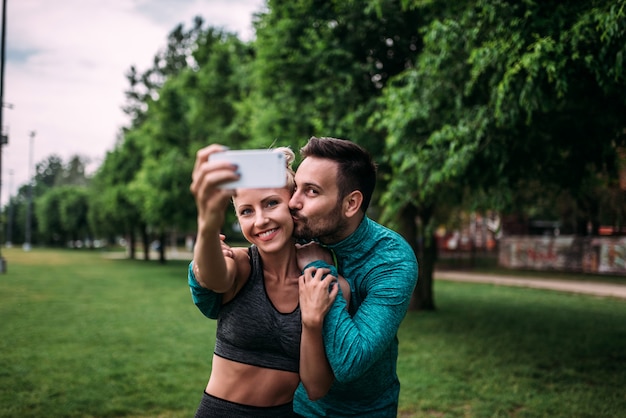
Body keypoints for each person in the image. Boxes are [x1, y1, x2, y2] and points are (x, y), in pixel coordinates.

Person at [187, 144, 350, 417]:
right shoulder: (240, 266)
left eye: (271, 203)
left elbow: (316, 388)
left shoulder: (327, 284)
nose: (261, 220)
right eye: (246, 211)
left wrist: (311, 322)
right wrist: (208, 220)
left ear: (293, 204)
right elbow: (212, 278)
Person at [290, 136, 419, 417]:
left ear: (351, 203)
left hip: (364, 412)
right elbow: (211, 298)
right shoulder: (296, 233)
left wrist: (320, 270)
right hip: (296, 407)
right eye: (295, 187)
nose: (292, 202)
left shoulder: (391, 259)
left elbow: (351, 361)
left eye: (311, 192)